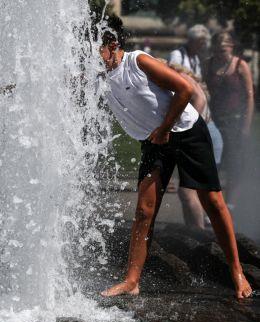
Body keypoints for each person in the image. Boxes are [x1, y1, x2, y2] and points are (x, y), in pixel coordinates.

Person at [97, 16, 252, 299]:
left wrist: (166, 128)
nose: (89, 55)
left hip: (186, 130)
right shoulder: (100, 75)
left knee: (212, 201)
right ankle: (132, 281)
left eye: (95, 48)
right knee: (144, 210)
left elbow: (186, 89)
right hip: (154, 140)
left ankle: (237, 271)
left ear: (112, 44)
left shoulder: (138, 62)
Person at [162, 61, 223, 229]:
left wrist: (187, 127)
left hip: (203, 134)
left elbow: (199, 98)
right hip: (207, 133)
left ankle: (199, 232)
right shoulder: (184, 77)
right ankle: (193, 230)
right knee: (193, 190)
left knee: (189, 191)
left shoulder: (180, 77)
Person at [204, 32, 255, 208]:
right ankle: (214, 201)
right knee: (213, 162)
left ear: (231, 47)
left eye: (224, 49)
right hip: (213, 120)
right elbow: (203, 88)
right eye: (218, 49)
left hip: (235, 120)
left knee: (233, 161)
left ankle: (230, 202)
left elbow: (250, 96)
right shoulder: (209, 64)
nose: (221, 53)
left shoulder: (241, 65)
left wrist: (246, 126)